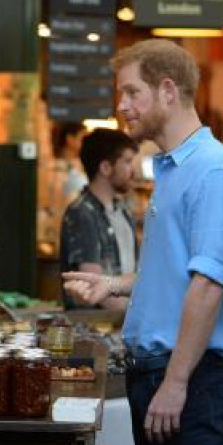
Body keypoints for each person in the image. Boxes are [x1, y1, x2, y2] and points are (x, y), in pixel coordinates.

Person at [63, 39, 223, 445]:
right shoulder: (173, 171)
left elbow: (209, 286)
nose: (120, 106)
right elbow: (175, 275)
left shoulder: (211, 171)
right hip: (158, 374)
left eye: (131, 92)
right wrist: (114, 285)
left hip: (183, 379)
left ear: (168, 91)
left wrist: (177, 382)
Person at [59, 128, 138, 310]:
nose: (133, 170)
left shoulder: (123, 211)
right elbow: (93, 288)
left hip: (121, 325)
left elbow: (137, 272)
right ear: (105, 168)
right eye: (127, 162)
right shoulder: (81, 213)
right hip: (93, 330)